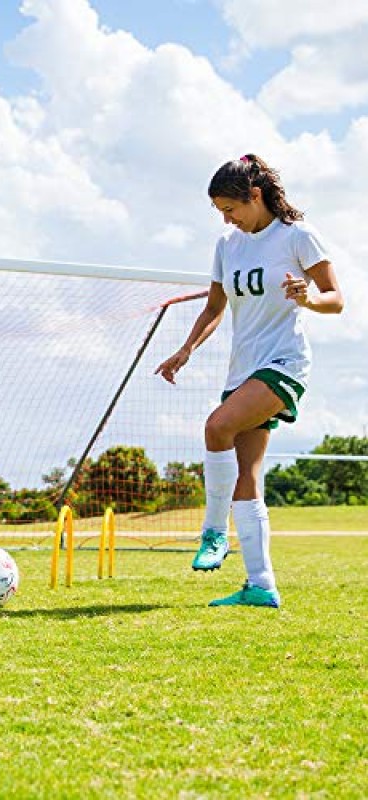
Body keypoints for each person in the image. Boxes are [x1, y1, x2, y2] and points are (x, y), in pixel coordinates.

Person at [155, 154, 344, 608]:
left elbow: (336, 299)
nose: (227, 218)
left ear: (255, 196)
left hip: (284, 363)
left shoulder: (297, 236)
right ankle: (261, 585)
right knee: (247, 476)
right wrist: (186, 350)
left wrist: (308, 300)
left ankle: (214, 532)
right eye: (220, 211)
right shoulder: (228, 244)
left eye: (231, 208)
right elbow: (214, 308)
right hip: (242, 369)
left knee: (217, 426)